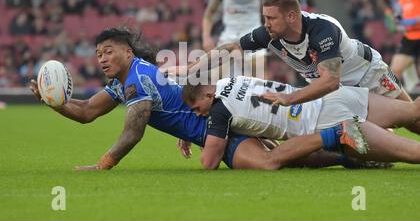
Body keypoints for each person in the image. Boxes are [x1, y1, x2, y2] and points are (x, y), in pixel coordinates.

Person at [29, 27, 374, 171]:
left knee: (271, 163)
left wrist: (102, 164)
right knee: (293, 162)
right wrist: (54, 102)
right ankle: (350, 157)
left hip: (220, 130)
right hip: (216, 124)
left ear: (128, 52)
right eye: (98, 54)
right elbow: (88, 111)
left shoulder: (138, 79)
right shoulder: (124, 84)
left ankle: (337, 135)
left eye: (108, 51)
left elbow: (134, 132)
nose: (101, 58)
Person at [176, 0, 420, 134]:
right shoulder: (268, 35)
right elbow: (231, 48)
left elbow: (330, 81)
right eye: (265, 17)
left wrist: (289, 98)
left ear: (292, 16)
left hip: (368, 75)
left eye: (271, 18)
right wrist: (196, 67)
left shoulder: (323, 30)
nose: (266, 24)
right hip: (339, 92)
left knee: (411, 119)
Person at [182, 75, 420, 169]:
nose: (199, 115)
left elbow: (210, 162)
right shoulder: (229, 79)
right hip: (331, 96)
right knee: (414, 109)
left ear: (208, 96)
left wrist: (197, 133)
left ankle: (357, 153)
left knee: (413, 152)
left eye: (197, 109)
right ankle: (363, 156)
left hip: (325, 120)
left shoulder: (220, 109)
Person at [390, 0, 420, 90]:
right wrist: (398, 20)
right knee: (394, 71)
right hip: (410, 36)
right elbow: (404, 11)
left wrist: (415, 20)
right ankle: (405, 107)